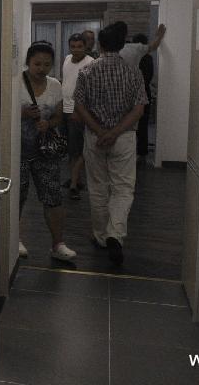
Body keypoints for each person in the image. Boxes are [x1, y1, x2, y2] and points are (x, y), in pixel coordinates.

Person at [73, 24, 148, 266]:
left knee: (97, 188)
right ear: (122, 45)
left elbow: (80, 107)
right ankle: (116, 234)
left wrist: (100, 132)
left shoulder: (87, 72)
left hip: (95, 137)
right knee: (123, 189)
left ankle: (101, 236)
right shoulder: (133, 72)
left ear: (100, 45)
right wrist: (115, 132)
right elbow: (139, 109)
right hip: (124, 138)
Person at [19, 41, 77, 262]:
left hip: (46, 152)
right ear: (28, 62)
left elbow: (59, 116)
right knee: (18, 198)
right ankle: (14, 240)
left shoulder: (54, 85)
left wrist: (48, 124)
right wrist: (21, 113)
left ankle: (57, 244)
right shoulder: (17, 83)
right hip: (19, 153)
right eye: (37, 64)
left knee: (53, 198)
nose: (41, 68)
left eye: (46, 64)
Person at [61, 33, 94, 200]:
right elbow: (66, 81)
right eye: (73, 46)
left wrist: (79, 111)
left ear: (85, 46)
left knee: (78, 150)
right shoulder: (67, 59)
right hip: (64, 109)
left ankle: (74, 185)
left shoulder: (90, 63)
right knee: (70, 148)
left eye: (79, 46)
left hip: (78, 112)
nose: (76, 50)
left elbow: (90, 91)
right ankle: (76, 179)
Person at [133, 34, 156, 159]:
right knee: (142, 124)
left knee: (136, 124)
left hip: (135, 93)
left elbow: (145, 78)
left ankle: (138, 151)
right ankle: (141, 152)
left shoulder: (136, 58)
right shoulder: (148, 58)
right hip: (145, 93)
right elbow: (148, 78)